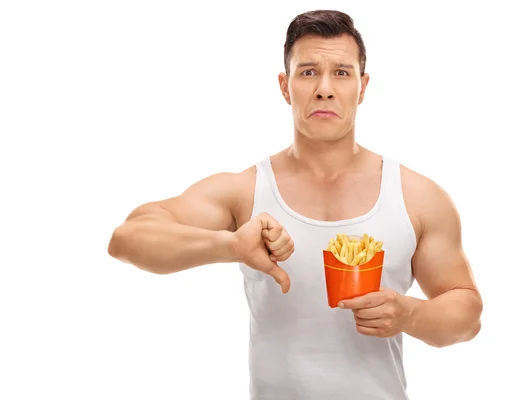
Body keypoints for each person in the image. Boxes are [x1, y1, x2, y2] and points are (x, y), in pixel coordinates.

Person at [107, 9, 483, 400]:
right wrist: (230, 246)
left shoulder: (417, 197)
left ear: (363, 85)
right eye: (307, 72)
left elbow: (467, 313)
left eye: (341, 72)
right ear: (285, 87)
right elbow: (127, 239)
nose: (324, 88)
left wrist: (412, 314)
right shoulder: (245, 192)